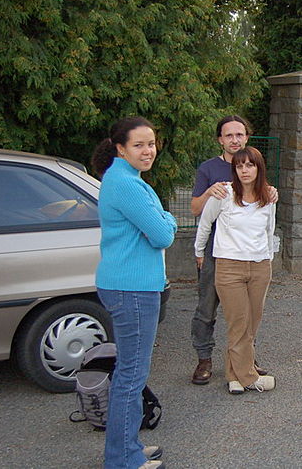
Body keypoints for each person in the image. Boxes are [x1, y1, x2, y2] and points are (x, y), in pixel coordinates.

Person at [92, 117, 177, 469]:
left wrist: (161, 218)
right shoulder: (126, 184)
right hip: (132, 289)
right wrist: (168, 218)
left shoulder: (125, 179)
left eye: (151, 144)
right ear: (120, 148)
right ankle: (122, 458)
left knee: (130, 373)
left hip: (127, 285)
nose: (148, 151)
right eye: (139, 145)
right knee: (131, 375)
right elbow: (163, 235)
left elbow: (155, 228)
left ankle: (128, 446)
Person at [189, 115, 277, 385]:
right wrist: (209, 192)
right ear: (220, 140)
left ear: (247, 137)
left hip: (251, 254)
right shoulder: (209, 169)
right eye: (229, 135)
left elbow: (267, 221)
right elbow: (196, 210)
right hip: (218, 251)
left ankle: (245, 361)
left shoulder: (254, 164)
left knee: (246, 314)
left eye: (239, 134)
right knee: (207, 308)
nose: (234, 140)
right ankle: (204, 359)